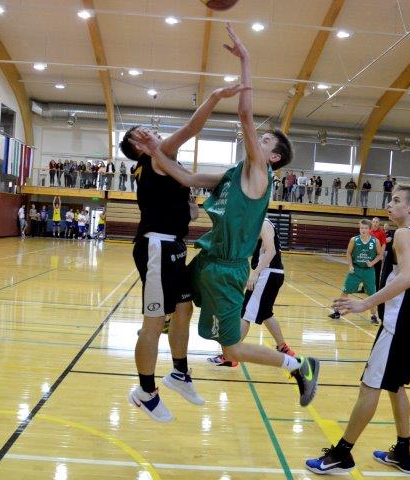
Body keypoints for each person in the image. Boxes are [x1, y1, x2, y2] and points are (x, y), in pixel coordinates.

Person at [129, 23, 319, 410]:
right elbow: (185, 177)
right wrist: (154, 152)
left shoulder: (259, 173)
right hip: (206, 261)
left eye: (265, 141)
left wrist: (246, 62)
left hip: (228, 270)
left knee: (229, 347)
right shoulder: (232, 174)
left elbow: (246, 113)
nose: (257, 139)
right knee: (178, 307)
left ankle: (298, 365)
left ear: (273, 157)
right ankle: (171, 353)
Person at [119, 75, 249, 423]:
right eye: (143, 133)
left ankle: (179, 373)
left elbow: (185, 201)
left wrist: (186, 206)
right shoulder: (156, 157)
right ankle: (145, 391)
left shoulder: (164, 165)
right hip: (156, 246)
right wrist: (216, 96)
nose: (152, 133)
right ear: (138, 146)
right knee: (154, 321)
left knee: (184, 309)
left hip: (172, 245)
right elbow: (192, 127)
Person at [306, 185, 410, 476]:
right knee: (395, 386)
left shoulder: (404, 234)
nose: (390, 204)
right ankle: (403, 453)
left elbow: (408, 278)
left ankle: (342, 455)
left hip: (400, 323)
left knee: (369, 386)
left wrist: (365, 303)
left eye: (397, 200)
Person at [208, 218, 295, 367]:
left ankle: (231, 355)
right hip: (272, 274)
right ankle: (283, 348)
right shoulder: (256, 224)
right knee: (266, 313)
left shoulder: (263, 223)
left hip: (267, 274)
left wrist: (255, 274)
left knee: (245, 313)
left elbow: (271, 251)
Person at [328, 219, 382, 324]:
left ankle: (374, 316)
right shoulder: (354, 240)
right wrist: (350, 265)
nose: (363, 230)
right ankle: (337, 312)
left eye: (366, 228)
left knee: (372, 294)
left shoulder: (375, 241)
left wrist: (372, 263)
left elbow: (380, 254)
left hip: (368, 271)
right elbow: (348, 253)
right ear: (359, 228)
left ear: (370, 229)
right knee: (345, 291)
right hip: (356, 269)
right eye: (361, 228)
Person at [370, 217, 387, 292]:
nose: (375, 223)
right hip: (369, 256)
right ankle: (364, 288)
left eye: (376, 222)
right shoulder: (369, 231)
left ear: (379, 223)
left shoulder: (382, 232)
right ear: (372, 223)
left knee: (376, 274)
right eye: (374, 222)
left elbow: (383, 244)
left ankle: (376, 290)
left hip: (377, 256)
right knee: (366, 273)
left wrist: (381, 255)